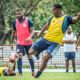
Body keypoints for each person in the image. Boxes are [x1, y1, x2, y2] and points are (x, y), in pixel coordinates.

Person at [28, 4, 80, 78]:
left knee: (46, 57)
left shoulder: (66, 18)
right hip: (45, 39)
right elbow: (46, 25)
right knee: (30, 52)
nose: (52, 11)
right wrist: (40, 33)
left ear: (59, 10)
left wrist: (78, 16)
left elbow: (75, 19)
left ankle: (38, 74)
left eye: (54, 10)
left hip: (55, 43)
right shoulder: (51, 18)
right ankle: (37, 53)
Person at [12, 9, 35, 76]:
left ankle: (33, 71)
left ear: (22, 13)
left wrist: (29, 37)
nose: (18, 15)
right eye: (16, 14)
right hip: (19, 43)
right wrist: (12, 42)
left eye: (19, 13)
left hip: (28, 43)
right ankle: (20, 73)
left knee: (29, 56)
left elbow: (33, 31)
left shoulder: (28, 20)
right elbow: (13, 33)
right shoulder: (15, 22)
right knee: (19, 56)